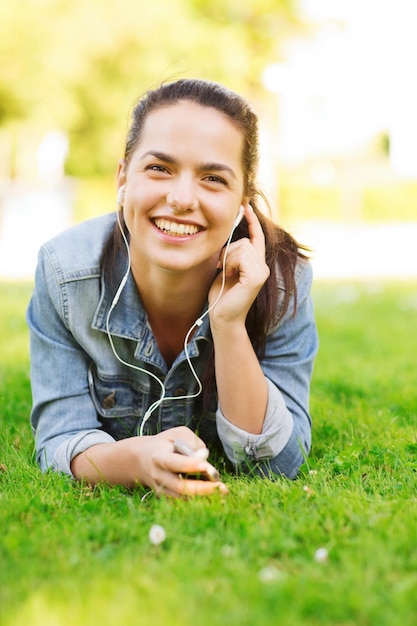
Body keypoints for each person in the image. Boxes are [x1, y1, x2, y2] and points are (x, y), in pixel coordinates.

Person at [27, 78, 318, 497]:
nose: (182, 198)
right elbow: (61, 437)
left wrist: (229, 323)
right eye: (159, 168)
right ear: (123, 177)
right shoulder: (66, 272)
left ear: (243, 201)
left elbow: (279, 463)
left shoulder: (284, 282)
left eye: (213, 178)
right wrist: (135, 461)